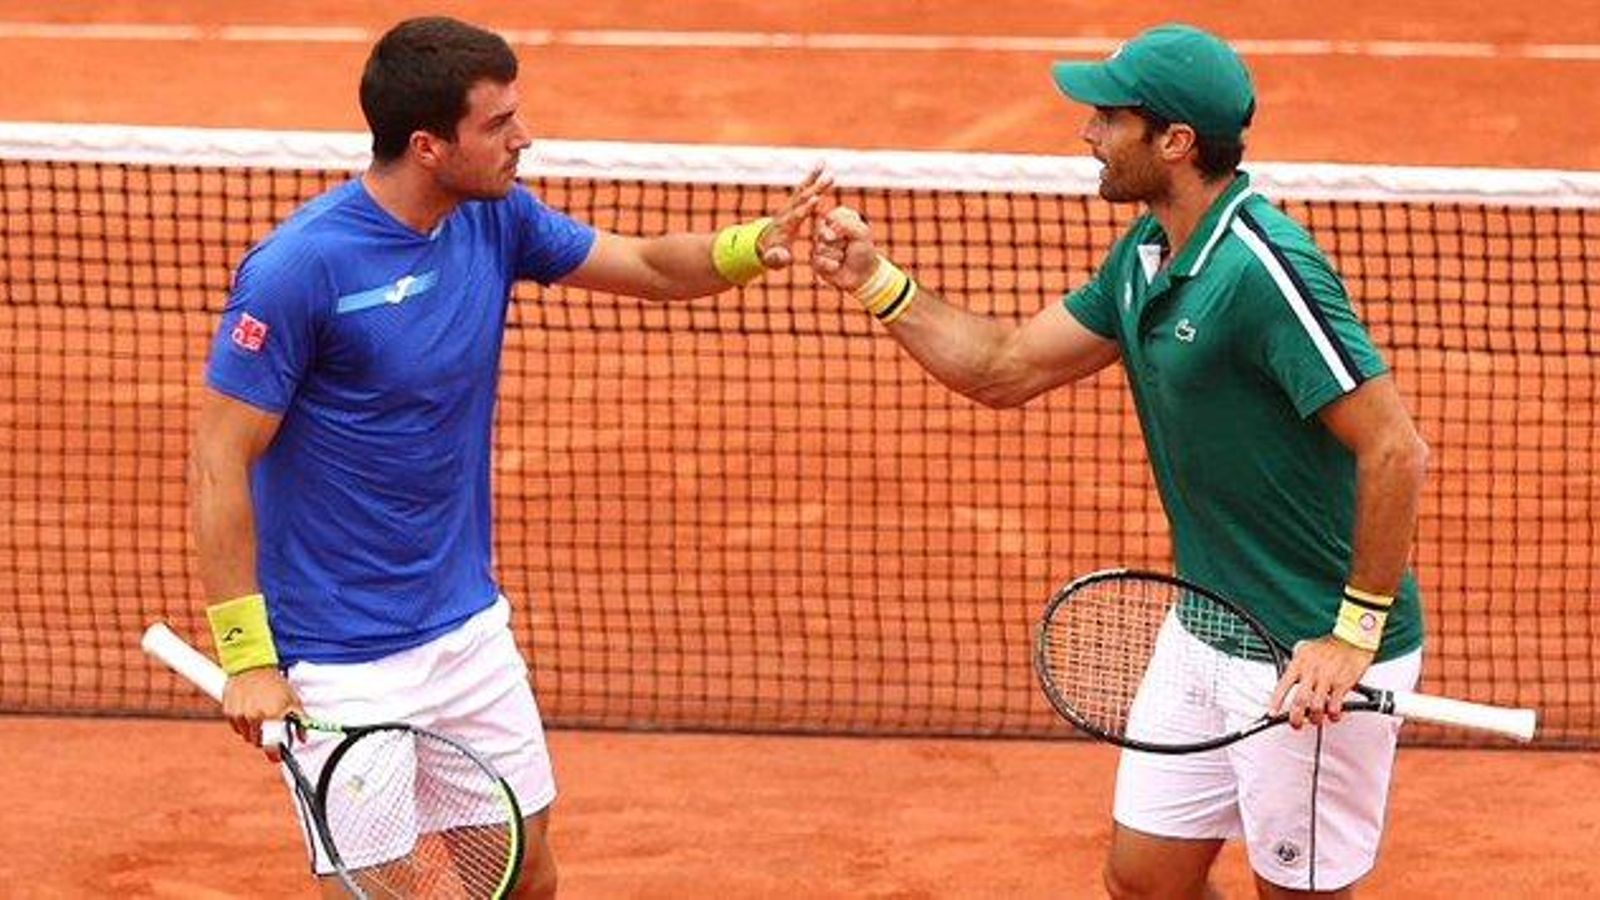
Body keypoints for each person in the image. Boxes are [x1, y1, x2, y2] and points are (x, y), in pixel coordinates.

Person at [190, 15, 828, 898]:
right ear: (428, 145)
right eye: (498, 124)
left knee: (525, 878)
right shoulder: (301, 269)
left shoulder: (493, 220)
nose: (522, 138)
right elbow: (221, 459)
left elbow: (644, 262)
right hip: (342, 661)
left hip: (467, 634)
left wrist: (751, 245)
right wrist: (248, 658)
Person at [811, 23, 1428, 900]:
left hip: (1304, 647)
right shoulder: (1145, 254)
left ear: (1175, 142)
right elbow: (1006, 367)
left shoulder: (1261, 270)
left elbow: (1396, 447)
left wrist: (1351, 635)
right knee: (1143, 880)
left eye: (1109, 117)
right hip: (1206, 622)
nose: (1087, 133)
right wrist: (878, 282)